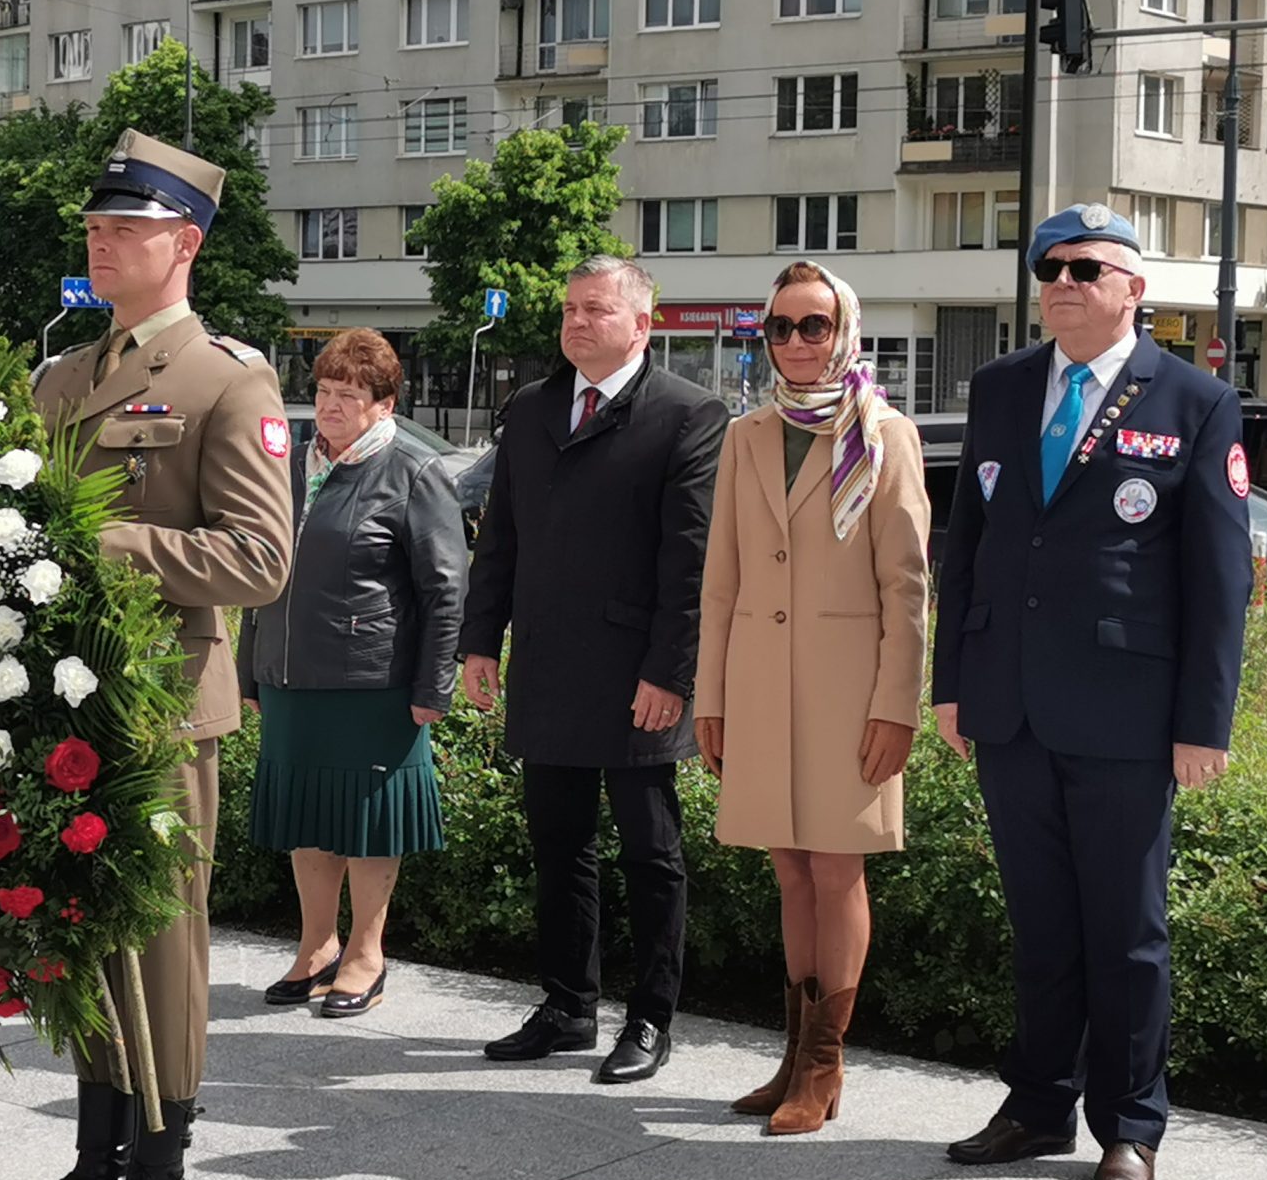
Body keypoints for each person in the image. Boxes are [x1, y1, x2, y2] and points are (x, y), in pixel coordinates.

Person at [0, 129, 294, 1180]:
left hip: (160, 707)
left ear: (186, 242)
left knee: (159, 946)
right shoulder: (62, 379)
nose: (99, 241)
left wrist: (94, 541)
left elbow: (260, 557)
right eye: (94, 226)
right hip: (61, 704)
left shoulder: (227, 380)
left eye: (125, 226)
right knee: (81, 942)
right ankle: (95, 1166)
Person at [932, 204, 1252, 1180]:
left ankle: (1129, 1125)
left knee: (1126, 931)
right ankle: (1036, 1105)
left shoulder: (1192, 401)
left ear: (1131, 290)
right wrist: (951, 683)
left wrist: (1202, 722)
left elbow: (1219, 577)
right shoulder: (999, 389)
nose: (1062, 282)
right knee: (1040, 924)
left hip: (1125, 713)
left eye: (1084, 268)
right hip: (1011, 705)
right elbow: (968, 549)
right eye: (1049, 268)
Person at [459, 256, 728, 1083]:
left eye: (596, 310)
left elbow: (692, 564)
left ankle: (649, 1018)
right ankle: (568, 1006)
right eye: (570, 310)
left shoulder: (689, 416)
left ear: (641, 325)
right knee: (559, 844)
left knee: (651, 852)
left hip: (636, 675)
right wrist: (479, 641)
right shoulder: (534, 410)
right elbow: (499, 537)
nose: (576, 322)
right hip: (546, 665)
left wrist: (670, 673)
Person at [694, 262, 930, 1135]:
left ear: (846, 330)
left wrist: (897, 703)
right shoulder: (746, 435)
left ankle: (826, 1066)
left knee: (837, 868)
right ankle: (794, 1055)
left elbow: (907, 584)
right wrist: (710, 695)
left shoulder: (884, 434)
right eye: (782, 328)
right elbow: (721, 579)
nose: (797, 343)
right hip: (758, 683)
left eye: (814, 325)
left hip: (847, 693)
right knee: (788, 866)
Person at [236, 329, 466, 1019]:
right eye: (324, 393)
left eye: (349, 396)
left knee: (369, 827)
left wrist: (433, 690)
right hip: (290, 677)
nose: (330, 408)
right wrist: (253, 670)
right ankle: (316, 947)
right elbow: (264, 571)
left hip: (374, 687)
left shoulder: (414, 474)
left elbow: (447, 590)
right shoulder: (290, 469)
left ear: (384, 404)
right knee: (308, 821)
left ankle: (367, 953)